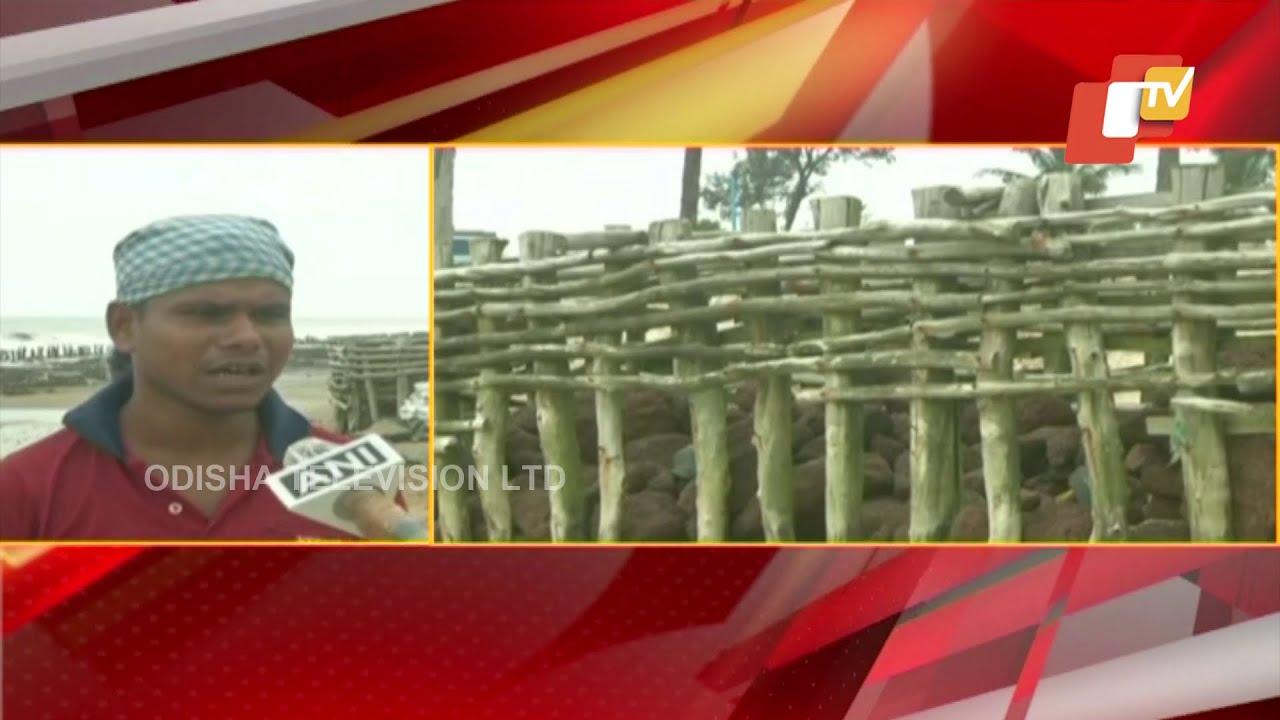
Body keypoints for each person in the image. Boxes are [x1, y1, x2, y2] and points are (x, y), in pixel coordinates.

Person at [0, 214, 363, 540]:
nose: (248, 337)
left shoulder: (353, 476)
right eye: (207, 313)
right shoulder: (25, 490)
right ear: (124, 327)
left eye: (270, 314)